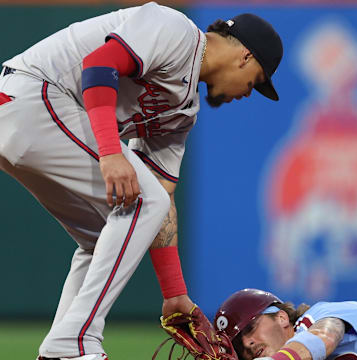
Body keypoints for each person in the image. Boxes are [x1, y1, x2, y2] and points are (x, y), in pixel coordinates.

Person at [0, 2, 282, 360]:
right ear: (245, 56)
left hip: (31, 121)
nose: (246, 93)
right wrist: (110, 152)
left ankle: (60, 348)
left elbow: (161, 195)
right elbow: (99, 65)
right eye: (255, 81)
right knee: (142, 202)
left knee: (105, 234)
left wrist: (174, 294)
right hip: (33, 96)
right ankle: (75, 341)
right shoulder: (175, 30)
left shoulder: (183, 112)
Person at [214, 288, 357, 360]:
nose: (246, 344)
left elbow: (326, 336)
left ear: (282, 317)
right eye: (238, 345)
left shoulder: (316, 316)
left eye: (250, 328)